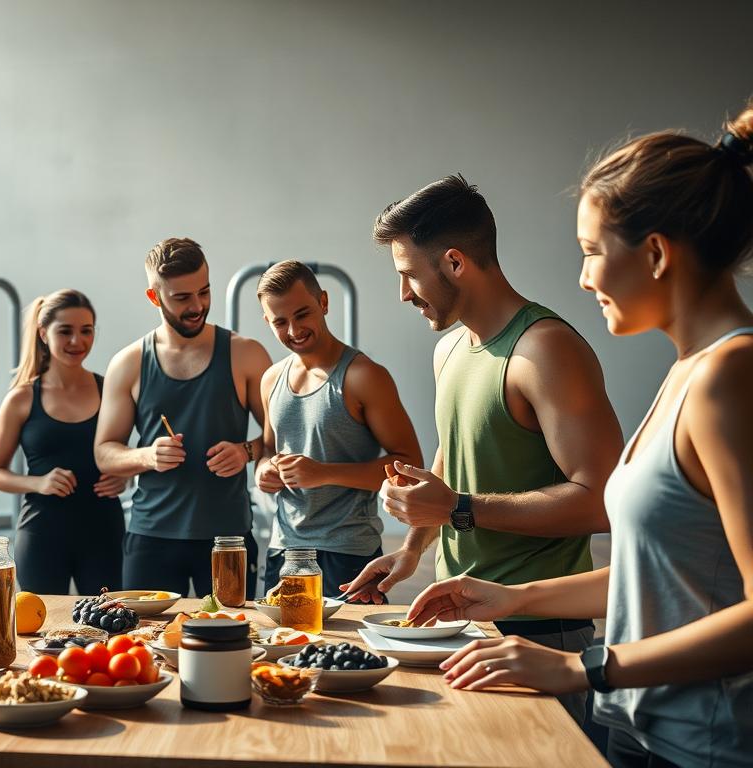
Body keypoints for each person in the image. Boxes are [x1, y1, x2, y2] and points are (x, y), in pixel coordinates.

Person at [405, 105, 753, 768]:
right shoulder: (687, 372)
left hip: (703, 750)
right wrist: (515, 599)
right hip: (642, 729)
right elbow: (672, 577)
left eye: (592, 252)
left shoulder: (731, 377)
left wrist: (583, 667)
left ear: (654, 253)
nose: (584, 277)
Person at [348, 174, 623, 726]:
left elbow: (601, 503)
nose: (403, 294)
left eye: (408, 275)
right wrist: (413, 550)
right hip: (463, 620)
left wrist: (459, 509)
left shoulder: (545, 350)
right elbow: (455, 454)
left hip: (543, 630)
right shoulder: (449, 347)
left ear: (454, 263)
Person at [95, 238, 272, 598]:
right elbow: (104, 452)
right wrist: (146, 456)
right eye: (182, 298)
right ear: (154, 297)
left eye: (204, 292)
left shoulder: (246, 354)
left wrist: (246, 452)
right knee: (145, 647)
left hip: (228, 539)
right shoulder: (128, 363)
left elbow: (280, 436)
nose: (197, 306)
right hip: (151, 538)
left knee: (233, 642)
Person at [254, 260, 423, 596]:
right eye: (280, 322)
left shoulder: (364, 376)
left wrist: (324, 473)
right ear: (267, 322)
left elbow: (410, 466)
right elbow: (269, 450)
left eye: (302, 314)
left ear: (324, 303)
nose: (293, 330)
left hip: (347, 554)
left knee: (347, 649)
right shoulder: (271, 379)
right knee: (283, 647)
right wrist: (264, 470)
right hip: (283, 550)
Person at [0, 290, 127, 594]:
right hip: (42, 536)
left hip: (104, 532)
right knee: (43, 633)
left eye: (86, 331)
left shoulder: (111, 390)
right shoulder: (21, 398)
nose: (77, 341)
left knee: (110, 628)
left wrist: (124, 475)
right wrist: (38, 483)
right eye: (65, 331)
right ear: (43, 334)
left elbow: (127, 452)